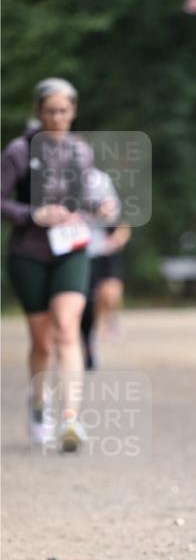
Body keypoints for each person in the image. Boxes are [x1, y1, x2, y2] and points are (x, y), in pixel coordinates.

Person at [1, 78, 117, 451]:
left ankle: (70, 420)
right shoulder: (19, 151)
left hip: (71, 249)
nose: (57, 117)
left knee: (67, 328)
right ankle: (38, 405)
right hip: (29, 254)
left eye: (64, 111)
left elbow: (85, 198)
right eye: (50, 111)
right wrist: (34, 214)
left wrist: (100, 208)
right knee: (42, 341)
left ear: (73, 112)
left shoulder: (79, 152)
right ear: (39, 112)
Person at [80, 169, 130, 370]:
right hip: (80, 252)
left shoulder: (101, 184)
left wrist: (118, 239)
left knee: (110, 291)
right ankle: (89, 339)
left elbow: (122, 224)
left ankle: (108, 322)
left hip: (105, 252)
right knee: (87, 303)